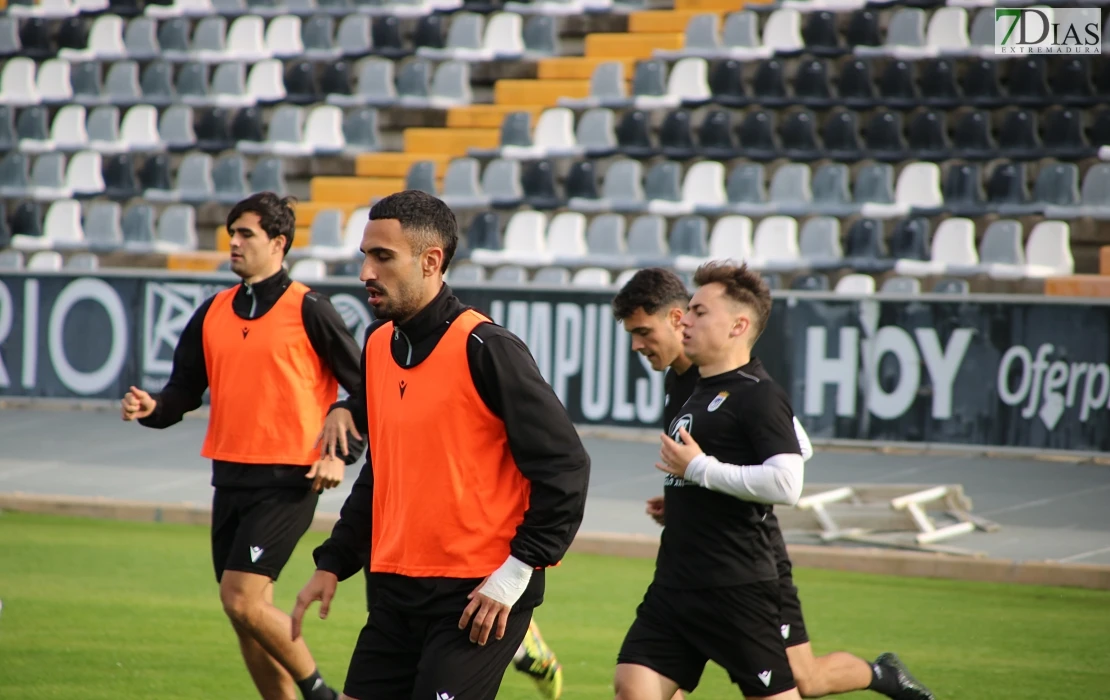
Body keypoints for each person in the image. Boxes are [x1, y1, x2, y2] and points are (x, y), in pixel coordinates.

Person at [289, 190, 591, 700]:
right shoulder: (379, 344)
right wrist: (334, 560)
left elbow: (566, 468)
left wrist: (515, 573)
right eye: (365, 254)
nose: (366, 271)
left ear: (431, 262)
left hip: (478, 596)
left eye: (382, 256)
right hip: (392, 590)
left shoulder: (487, 348)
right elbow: (383, 471)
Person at [612, 267, 936, 700]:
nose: (636, 344)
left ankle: (881, 675)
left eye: (643, 331)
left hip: (747, 564)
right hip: (686, 571)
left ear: (676, 319)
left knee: (807, 681)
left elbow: (792, 452)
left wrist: (703, 474)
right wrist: (688, 497)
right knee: (638, 686)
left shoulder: (745, 385)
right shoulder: (685, 383)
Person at [120, 192, 364, 700]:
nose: (233, 242)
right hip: (229, 475)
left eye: (245, 233)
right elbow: (183, 392)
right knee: (246, 616)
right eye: (231, 232)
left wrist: (337, 455)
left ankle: (325, 695)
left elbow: (366, 390)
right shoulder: (212, 311)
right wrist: (152, 409)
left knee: (241, 598)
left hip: (290, 478)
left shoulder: (311, 308)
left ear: (278, 243)